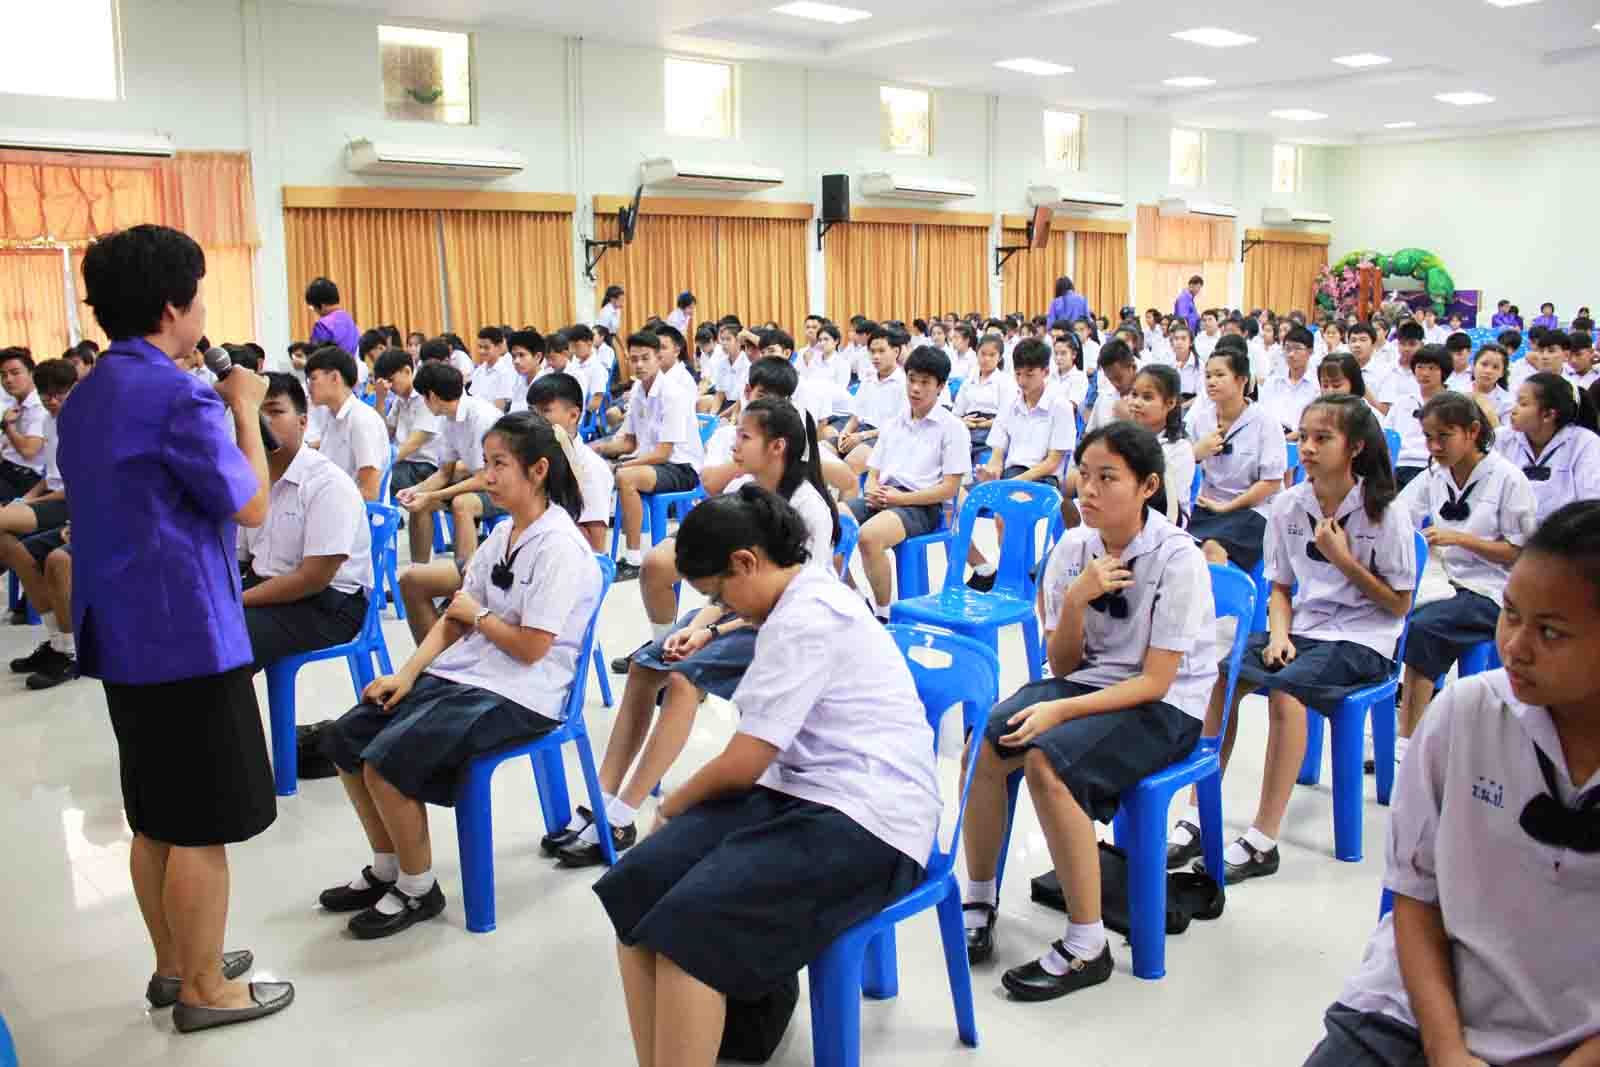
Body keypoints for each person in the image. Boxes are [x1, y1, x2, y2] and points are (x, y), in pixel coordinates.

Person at [593, 485, 938, 1065]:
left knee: (689, 932)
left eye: (719, 593)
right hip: (794, 790)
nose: (721, 607)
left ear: (747, 562)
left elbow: (744, 761)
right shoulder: (786, 604)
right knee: (636, 886)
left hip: (868, 816)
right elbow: (757, 759)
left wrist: (671, 806)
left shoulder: (811, 615)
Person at [60, 224, 290, 1030]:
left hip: (121, 631)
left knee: (155, 813)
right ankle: (206, 988)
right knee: (202, 823)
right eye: (199, 297)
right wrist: (246, 410)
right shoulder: (179, 395)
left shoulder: (87, 395)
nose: (204, 313)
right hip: (186, 633)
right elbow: (251, 505)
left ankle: (173, 963)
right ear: (171, 307)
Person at [1303, 500, 1600, 1067]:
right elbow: (1414, 894)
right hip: (1421, 1008)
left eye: (1550, 632)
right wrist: (1445, 1049)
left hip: (1573, 1031)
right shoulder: (1466, 715)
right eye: (1510, 614)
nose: (1515, 647)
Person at [320, 412, 602, 939]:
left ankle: (417, 888)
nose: (486, 477)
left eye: (499, 465)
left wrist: (480, 616)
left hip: (523, 692)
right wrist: (407, 674)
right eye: (485, 463)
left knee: (386, 762)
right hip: (471, 676)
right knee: (347, 738)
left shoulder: (560, 546)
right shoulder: (503, 535)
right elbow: (455, 616)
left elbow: (532, 648)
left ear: (539, 470)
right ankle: (387, 866)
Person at [961, 423, 1216, 999]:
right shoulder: (1074, 548)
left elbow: (1156, 680)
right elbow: (1064, 663)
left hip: (1165, 707)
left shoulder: (1177, 558)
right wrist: (1077, 600)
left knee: (1047, 761)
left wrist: (1061, 715)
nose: (1089, 490)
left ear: (1148, 486)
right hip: (1088, 684)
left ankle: (1086, 945)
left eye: (1108, 478)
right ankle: (978, 899)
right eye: (1085, 475)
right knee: (986, 743)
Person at [557, 399, 841, 867]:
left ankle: (623, 815)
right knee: (647, 667)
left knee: (684, 678)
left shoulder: (808, 507)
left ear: (778, 446)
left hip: (786, 628)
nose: (734, 444)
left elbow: (785, 599)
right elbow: (730, 583)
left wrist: (710, 632)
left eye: (745, 436)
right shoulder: (747, 491)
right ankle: (601, 795)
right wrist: (697, 625)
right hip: (738, 612)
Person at [1173, 396, 1417, 879]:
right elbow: (1281, 587)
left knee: (1288, 692)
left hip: (1363, 639)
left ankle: (1263, 840)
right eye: (1303, 437)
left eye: (1322, 438)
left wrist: (1343, 559)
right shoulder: (1288, 505)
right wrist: (1279, 634)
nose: (1306, 448)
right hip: (1304, 628)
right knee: (1222, 677)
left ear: (1355, 447)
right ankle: (1198, 814)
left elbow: (1399, 605)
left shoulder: (1385, 511)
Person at [1394, 392, 1537, 767]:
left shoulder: (1507, 479)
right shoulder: (1435, 475)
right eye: (1428, 438)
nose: (1434, 447)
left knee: (1425, 627)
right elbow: (1399, 514)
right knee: (1393, 612)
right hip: (1445, 579)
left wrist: (1460, 539)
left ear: (1472, 431)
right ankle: (1408, 726)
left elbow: (1520, 552)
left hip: (1494, 589)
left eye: (1444, 436)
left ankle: (1409, 739)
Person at [237, 373, 371, 670]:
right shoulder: (251, 480)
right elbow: (240, 558)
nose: (263, 422)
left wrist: (237, 600)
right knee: (193, 624)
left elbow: (313, 578)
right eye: (255, 413)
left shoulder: (327, 484)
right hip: (266, 586)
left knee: (228, 641)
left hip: (325, 603)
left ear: (302, 422)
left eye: (275, 411)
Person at [846, 345, 968, 620]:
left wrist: (899, 499)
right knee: (831, 522)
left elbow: (949, 489)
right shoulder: (894, 423)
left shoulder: (952, 428)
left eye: (925, 382)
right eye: (912, 379)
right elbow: (874, 470)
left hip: (921, 505)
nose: (915, 388)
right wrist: (872, 488)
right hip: (884, 496)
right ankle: (854, 597)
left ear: (940, 387)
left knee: (869, 537)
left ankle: (883, 614)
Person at [592, 331, 706, 582]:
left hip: (681, 467)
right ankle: (596, 553)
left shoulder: (672, 393)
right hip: (654, 463)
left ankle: (634, 559)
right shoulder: (637, 390)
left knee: (625, 477)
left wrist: (622, 465)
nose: (639, 365)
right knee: (594, 467)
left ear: (658, 358)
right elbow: (630, 442)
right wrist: (598, 449)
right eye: (634, 359)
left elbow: (664, 452)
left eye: (645, 358)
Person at [965, 338, 1076, 589]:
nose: (1023, 380)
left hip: (1044, 478)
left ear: (1045, 372)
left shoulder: (1059, 406)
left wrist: (1010, 483)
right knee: (958, 504)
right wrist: (992, 470)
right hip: (1012, 474)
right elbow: (998, 450)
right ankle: (989, 570)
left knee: (1007, 512)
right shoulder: (1011, 403)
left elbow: (1052, 462)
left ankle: (1015, 579)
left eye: (1030, 374)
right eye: (1018, 374)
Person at [1186, 347, 1288, 570]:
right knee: (1179, 545)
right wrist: (1195, 453)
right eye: (1208, 376)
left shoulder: (1265, 423)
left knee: (1213, 548)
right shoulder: (1200, 421)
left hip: (1254, 510)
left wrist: (1228, 507)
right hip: (1208, 506)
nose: (1211, 382)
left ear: (1242, 380)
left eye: (1219, 375)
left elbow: (1271, 483)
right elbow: (1181, 470)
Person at [395, 361, 504, 568]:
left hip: (503, 487)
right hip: (481, 482)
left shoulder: (481, 416)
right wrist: (415, 491)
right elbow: (444, 474)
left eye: (424, 397)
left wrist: (431, 495)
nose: (424, 403)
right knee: (419, 503)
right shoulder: (446, 420)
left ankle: (465, 580)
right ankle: (419, 571)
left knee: (462, 503)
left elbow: (484, 479)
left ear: (432, 396)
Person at [1493, 371, 1600, 524]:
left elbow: (1591, 505)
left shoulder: (1585, 443)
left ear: (1548, 415)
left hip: (1564, 534)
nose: (1513, 410)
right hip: (1508, 533)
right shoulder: (1501, 438)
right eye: (1516, 402)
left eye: (1523, 404)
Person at [527, 373, 614, 552]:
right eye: (531, 412)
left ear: (573, 415)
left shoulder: (591, 467)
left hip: (570, 560)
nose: (533, 421)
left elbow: (595, 547)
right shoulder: (531, 456)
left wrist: (540, 516)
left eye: (545, 411)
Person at [305, 345, 388, 501]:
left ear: (335, 377)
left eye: (313, 378)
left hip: (350, 510)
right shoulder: (332, 415)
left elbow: (370, 492)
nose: (308, 386)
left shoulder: (361, 419)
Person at [827, 325, 908, 474]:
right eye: (872, 351)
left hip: (886, 437)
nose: (875, 356)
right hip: (862, 431)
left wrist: (862, 436)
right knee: (822, 453)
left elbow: (900, 427)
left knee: (851, 463)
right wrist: (845, 433)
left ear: (896, 352)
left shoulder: (904, 383)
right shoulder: (868, 379)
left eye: (881, 351)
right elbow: (855, 417)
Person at [1127, 363, 1194, 527]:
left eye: (1147, 397)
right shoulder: (1123, 438)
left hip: (1163, 523)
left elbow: (1167, 505)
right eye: (1134, 395)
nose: (1136, 403)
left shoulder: (1179, 448)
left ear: (1170, 403)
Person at [1386, 344, 1455, 490]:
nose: (1425, 373)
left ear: (1444, 371)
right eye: (1420, 367)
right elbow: (1387, 436)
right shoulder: (1402, 402)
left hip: (1435, 466)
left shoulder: (1453, 403)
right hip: (1401, 466)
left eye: (1432, 368)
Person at [952, 333, 1016, 464]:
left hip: (992, 432)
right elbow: (956, 414)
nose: (986, 359)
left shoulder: (1006, 381)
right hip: (967, 430)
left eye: (992, 355)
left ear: (999, 358)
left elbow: (1007, 417)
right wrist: (963, 422)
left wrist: (984, 424)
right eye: (983, 354)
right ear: (977, 354)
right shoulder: (968, 382)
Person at [0, 347, 47, 502]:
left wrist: (8, 426)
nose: (8, 380)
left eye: (15, 373)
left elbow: (29, 451)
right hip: (6, 470)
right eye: (3, 375)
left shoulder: (40, 406)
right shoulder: (14, 403)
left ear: (31, 373)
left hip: (25, 478)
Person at [305, 276, 358, 356]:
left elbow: (316, 358)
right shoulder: (350, 321)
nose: (314, 311)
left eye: (312, 307)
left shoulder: (322, 326)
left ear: (322, 305)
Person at [1467, 343, 1514, 426]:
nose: (1488, 371)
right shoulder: (1457, 391)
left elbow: (1506, 432)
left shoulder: (1507, 402)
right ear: (1473, 366)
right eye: (1484, 364)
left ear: (1502, 373)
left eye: (1495, 367)